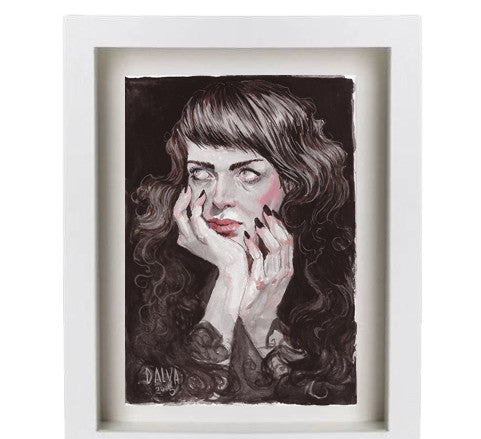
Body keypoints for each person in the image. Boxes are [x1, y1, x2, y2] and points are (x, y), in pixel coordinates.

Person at [127, 79, 356, 405]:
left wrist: (261, 322)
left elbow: (325, 405)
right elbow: (181, 410)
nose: (219, 198)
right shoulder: (159, 275)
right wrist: (230, 276)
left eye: (247, 173)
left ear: (293, 181)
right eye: (201, 173)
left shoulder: (341, 275)